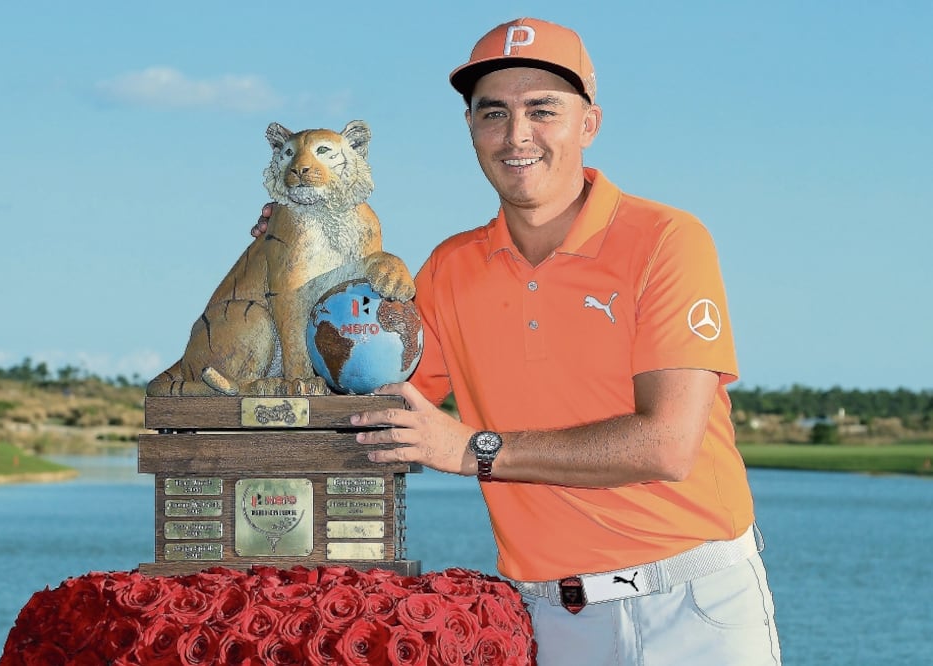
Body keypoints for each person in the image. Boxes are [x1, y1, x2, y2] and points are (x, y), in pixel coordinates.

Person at [255, 17, 781, 665]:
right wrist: (307, 248)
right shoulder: (450, 268)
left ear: (589, 123)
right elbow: (369, 400)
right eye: (493, 113)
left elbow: (668, 444)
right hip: (550, 619)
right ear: (471, 128)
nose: (516, 135)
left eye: (542, 110)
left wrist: (471, 449)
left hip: (694, 607)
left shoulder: (667, 239)